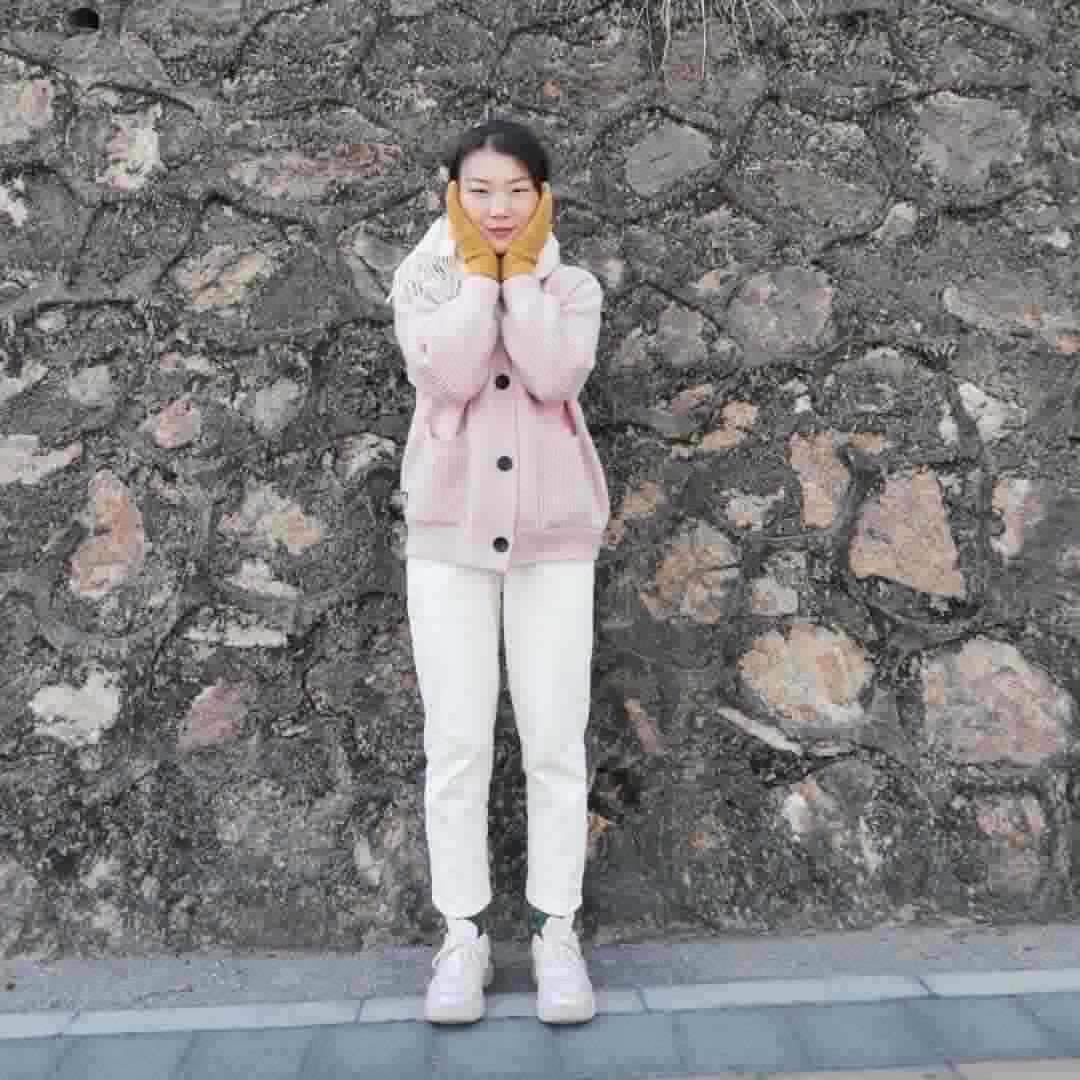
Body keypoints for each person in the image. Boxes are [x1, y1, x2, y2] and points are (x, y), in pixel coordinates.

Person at [388, 119, 609, 1026]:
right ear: (452, 193)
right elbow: (447, 373)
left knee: (556, 743)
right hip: (449, 541)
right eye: (480, 190)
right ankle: (463, 938)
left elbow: (555, 375)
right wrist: (480, 276)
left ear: (543, 196)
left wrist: (519, 279)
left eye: (518, 190)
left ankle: (557, 934)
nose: (500, 207)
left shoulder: (573, 286)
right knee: (457, 745)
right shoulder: (422, 281)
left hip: (554, 542)